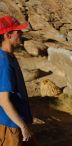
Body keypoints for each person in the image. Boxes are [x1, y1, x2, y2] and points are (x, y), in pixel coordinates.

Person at [0, 16, 37, 146]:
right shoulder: (4, 62)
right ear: (7, 35)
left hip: (17, 120)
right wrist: (22, 126)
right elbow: (4, 101)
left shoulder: (10, 56)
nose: (21, 33)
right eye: (18, 31)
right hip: (11, 126)